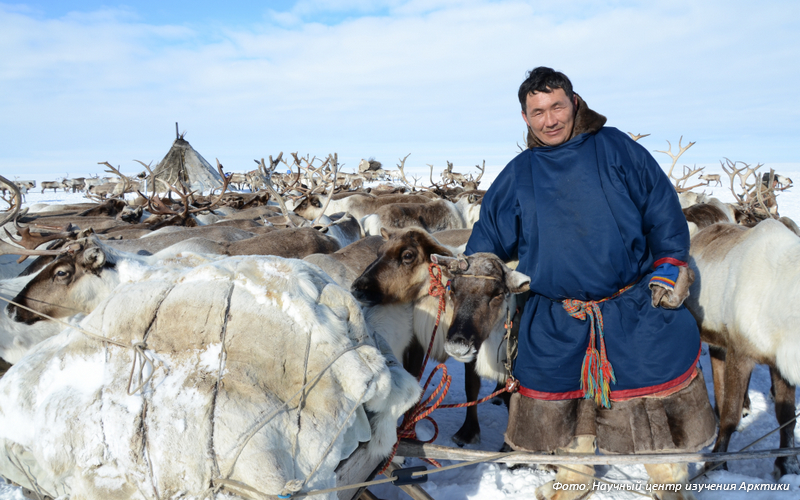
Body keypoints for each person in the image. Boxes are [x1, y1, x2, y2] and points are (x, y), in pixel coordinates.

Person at [465, 67, 716, 500]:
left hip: (631, 303)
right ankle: (575, 472)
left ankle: (668, 476)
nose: (550, 119)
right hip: (557, 311)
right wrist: (474, 272)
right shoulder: (520, 172)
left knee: (652, 381)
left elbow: (661, 208)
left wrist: (672, 261)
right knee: (558, 389)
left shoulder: (615, 147)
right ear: (525, 118)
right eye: (538, 112)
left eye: (557, 106)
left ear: (575, 102)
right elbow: (488, 239)